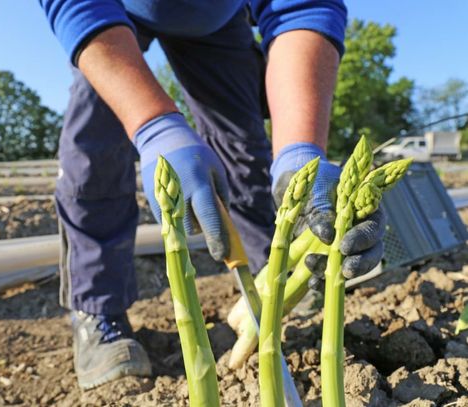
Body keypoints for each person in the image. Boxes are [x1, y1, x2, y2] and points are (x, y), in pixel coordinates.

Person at [40, 0, 386, 390]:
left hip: (218, 20)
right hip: (111, 11)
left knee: (243, 149)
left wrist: (301, 152)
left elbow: (302, 8)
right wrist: (154, 126)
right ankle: (97, 308)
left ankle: (273, 279)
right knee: (94, 149)